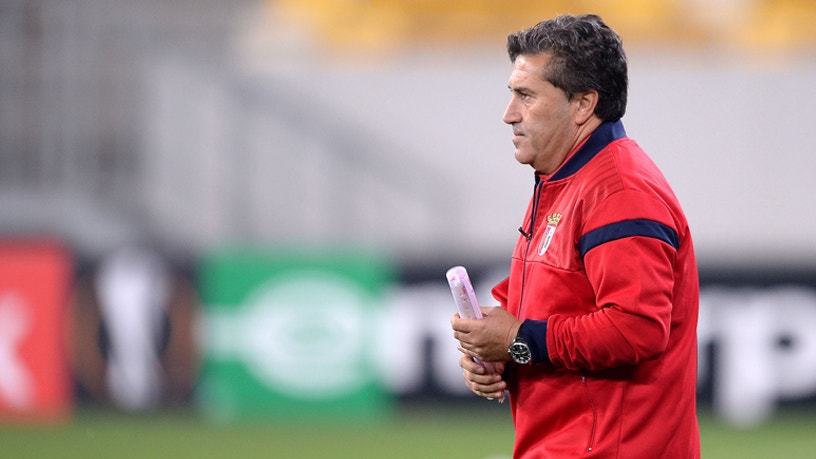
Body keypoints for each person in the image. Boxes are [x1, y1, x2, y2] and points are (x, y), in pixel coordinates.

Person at [450, 14, 700, 458]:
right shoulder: (563, 180)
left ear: (583, 104)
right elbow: (547, 308)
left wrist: (518, 340)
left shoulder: (620, 192)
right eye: (512, 93)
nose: (509, 114)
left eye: (526, 96)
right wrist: (500, 350)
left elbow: (636, 329)